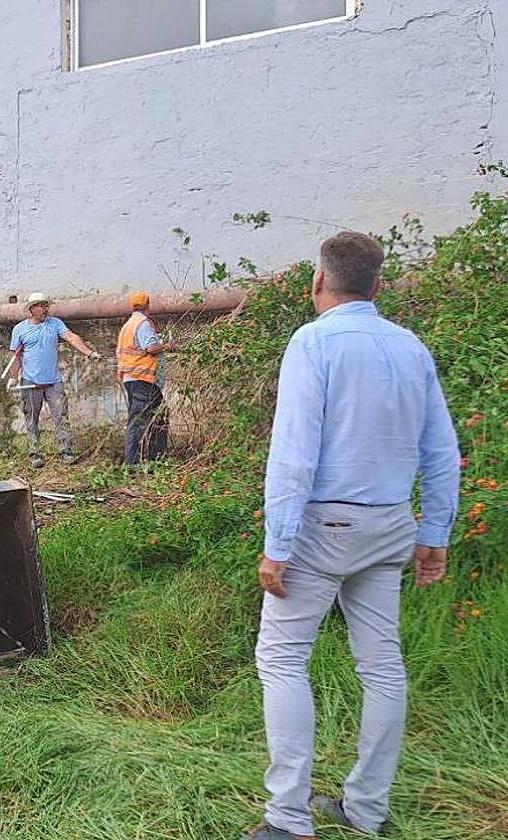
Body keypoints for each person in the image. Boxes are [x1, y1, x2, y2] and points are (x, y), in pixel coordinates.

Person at [244, 232, 460, 840]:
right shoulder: (410, 346)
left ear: (317, 282)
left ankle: (288, 820)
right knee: (383, 666)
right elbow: (441, 450)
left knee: (282, 659)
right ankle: (366, 809)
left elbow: (292, 455)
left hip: (322, 526)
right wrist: (435, 531)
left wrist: (277, 544)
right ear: (378, 285)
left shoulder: (313, 343)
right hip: (391, 524)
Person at [6, 292, 102, 468]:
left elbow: (72, 337)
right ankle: (35, 453)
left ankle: (66, 451)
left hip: (53, 382)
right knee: (31, 418)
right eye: (41, 306)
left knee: (61, 415)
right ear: (32, 309)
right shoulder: (19, 329)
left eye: (46, 305)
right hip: (30, 381)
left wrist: (89, 353)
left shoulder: (55, 323)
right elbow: (15, 356)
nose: (45, 309)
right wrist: (13, 377)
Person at [115, 291, 175, 466]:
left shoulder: (128, 325)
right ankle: (134, 462)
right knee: (141, 420)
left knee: (158, 415)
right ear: (148, 305)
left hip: (132, 378)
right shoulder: (142, 324)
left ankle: (154, 457)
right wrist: (167, 346)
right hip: (142, 379)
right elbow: (151, 348)